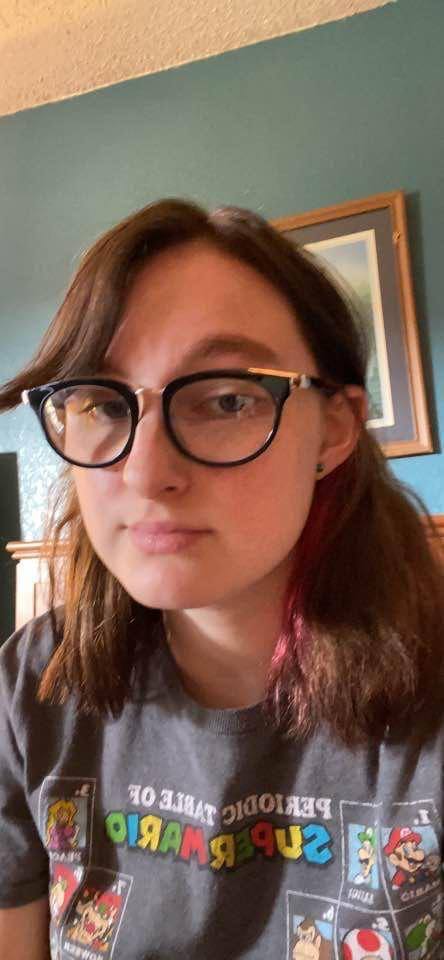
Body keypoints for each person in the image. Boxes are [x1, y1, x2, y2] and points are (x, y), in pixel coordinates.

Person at [0, 198, 442, 960]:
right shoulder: (31, 684)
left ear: (334, 429)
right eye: (102, 403)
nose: (146, 472)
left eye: (228, 399)